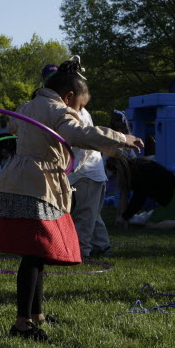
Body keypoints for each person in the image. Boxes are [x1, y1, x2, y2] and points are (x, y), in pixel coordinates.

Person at [0, 58, 142, 343]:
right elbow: (77, 133)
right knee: (33, 255)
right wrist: (120, 138)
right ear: (68, 97)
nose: (79, 113)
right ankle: (22, 324)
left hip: (20, 180)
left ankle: (36, 315)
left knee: (37, 253)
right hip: (36, 184)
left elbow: (14, 125)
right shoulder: (57, 109)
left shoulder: (28, 106)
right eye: (79, 107)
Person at [106, 155, 175, 231]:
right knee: (159, 218)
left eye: (115, 175)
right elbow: (124, 195)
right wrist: (120, 217)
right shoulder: (134, 167)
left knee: (150, 225)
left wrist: (125, 217)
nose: (116, 178)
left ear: (118, 170)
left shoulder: (140, 172)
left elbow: (138, 199)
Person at [68, 105, 112, 259]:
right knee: (91, 212)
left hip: (86, 173)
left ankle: (81, 251)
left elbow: (84, 147)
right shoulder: (72, 111)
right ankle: (102, 246)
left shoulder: (78, 113)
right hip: (86, 173)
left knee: (85, 214)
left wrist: (72, 168)